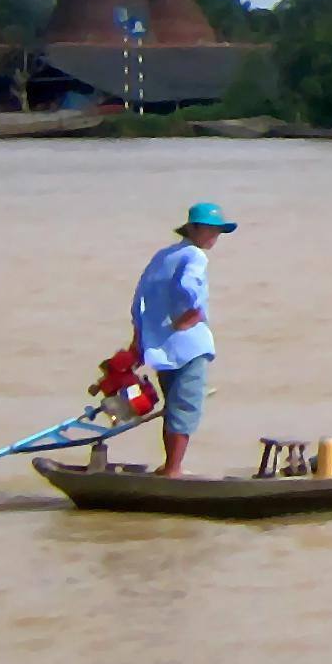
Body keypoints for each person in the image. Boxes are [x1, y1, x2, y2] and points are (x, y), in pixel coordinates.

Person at [130, 202, 237, 475]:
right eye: (211, 230)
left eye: (218, 232)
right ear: (194, 228)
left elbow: (140, 298)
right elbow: (190, 287)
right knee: (185, 408)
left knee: (174, 407)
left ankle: (170, 466)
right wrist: (193, 312)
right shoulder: (195, 256)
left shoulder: (164, 256)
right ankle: (173, 470)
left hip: (162, 347)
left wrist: (139, 338)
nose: (214, 237)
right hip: (190, 346)